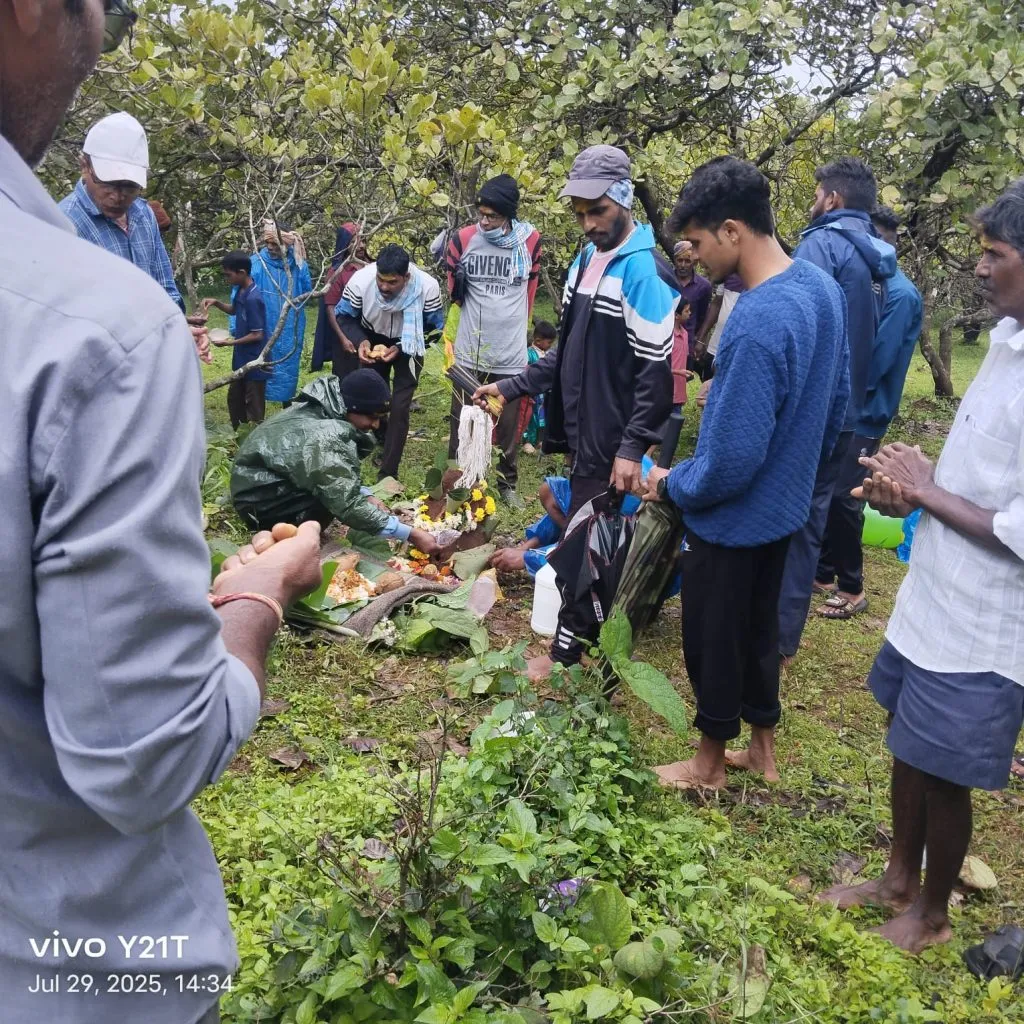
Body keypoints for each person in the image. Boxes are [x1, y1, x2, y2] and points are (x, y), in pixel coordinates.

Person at [0, 3, 325, 1021]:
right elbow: (142, 756)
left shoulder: (131, 243)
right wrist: (255, 601)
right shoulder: (90, 330)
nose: (100, 33)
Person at [820, 181, 1024, 954]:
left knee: (944, 768)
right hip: (935, 596)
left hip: (985, 622)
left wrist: (930, 491)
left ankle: (932, 914)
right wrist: (915, 488)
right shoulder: (1006, 345)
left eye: (995, 254)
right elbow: (984, 483)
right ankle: (898, 879)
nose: (981, 268)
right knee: (908, 740)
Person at [644, 156, 848, 791]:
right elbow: (837, 404)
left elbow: (730, 461)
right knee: (762, 629)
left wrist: (673, 483)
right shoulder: (821, 289)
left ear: (732, 231)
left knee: (715, 635)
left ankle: (707, 766)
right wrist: (800, 476)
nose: (695, 258)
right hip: (785, 508)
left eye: (698, 243)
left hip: (733, 519)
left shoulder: (757, 319)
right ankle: (762, 750)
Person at [473, 145, 678, 679]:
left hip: (613, 439)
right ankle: (582, 646)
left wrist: (632, 446)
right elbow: (565, 354)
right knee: (588, 540)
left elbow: (656, 374)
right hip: (585, 434)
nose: (588, 224)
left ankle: (568, 657)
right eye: (580, 212)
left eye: (598, 211)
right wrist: (511, 386)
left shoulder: (644, 272)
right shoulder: (586, 262)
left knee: (591, 546)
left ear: (624, 198)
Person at [776, 156, 896, 655]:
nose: (813, 202)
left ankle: (767, 630)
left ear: (832, 199)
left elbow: (796, 326)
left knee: (784, 513)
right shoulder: (876, 257)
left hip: (809, 408)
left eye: (816, 194)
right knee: (812, 517)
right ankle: (785, 636)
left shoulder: (822, 245)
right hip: (847, 410)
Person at [815, 205, 924, 619]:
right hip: (848, 405)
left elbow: (876, 362)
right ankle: (823, 572)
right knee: (830, 487)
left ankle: (852, 587)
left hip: (866, 411)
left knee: (845, 494)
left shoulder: (900, 294)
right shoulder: (872, 284)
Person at [231, 370, 440, 555]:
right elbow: (346, 503)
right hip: (262, 504)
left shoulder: (320, 408)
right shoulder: (327, 436)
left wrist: (364, 493)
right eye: (372, 417)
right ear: (352, 408)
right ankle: (293, 532)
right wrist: (411, 534)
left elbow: (330, 472)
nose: (376, 425)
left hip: (258, 487)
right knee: (333, 501)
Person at [446, 174, 543, 506]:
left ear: (509, 214)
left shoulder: (530, 242)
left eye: (493, 216)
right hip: (470, 349)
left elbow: (530, 291)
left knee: (508, 424)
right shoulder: (463, 239)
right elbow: (454, 292)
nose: (485, 222)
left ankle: (506, 483)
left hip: (510, 351)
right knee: (463, 419)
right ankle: (458, 478)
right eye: (481, 214)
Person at [335, 244, 444, 481]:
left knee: (400, 405)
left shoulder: (428, 287)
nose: (384, 287)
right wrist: (361, 341)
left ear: (406, 277)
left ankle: (388, 471)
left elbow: (435, 330)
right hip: (372, 337)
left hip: (411, 341)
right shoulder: (361, 281)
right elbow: (343, 315)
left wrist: (402, 347)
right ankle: (380, 439)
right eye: (381, 280)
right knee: (372, 398)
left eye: (392, 282)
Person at [60, 112, 184, 312]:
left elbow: (166, 288)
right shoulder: (63, 226)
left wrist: (177, 323)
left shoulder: (144, 214)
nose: (118, 196)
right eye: (108, 183)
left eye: (129, 186)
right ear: (85, 166)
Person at [250, 220, 313, 406]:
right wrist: (236, 325)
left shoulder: (298, 265)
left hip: (291, 325)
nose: (270, 248)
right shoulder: (256, 264)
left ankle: (287, 406)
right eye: (267, 243)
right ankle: (257, 414)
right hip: (262, 324)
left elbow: (307, 293)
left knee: (288, 365)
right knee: (260, 366)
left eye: (275, 244)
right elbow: (240, 295)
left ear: (287, 244)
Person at [203, 251, 269, 428]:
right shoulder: (241, 290)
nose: (226, 279)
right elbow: (234, 310)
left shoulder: (254, 298)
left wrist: (229, 342)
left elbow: (257, 334)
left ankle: (254, 438)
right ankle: (238, 434)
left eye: (228, 275)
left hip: (255, 359)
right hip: (242, 357)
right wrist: (216, 302)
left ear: (242, 272)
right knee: (235, 399)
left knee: (254, 404)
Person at [311, 221, 369, 379]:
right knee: (347, 376)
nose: (361, 246)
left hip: (369, 330)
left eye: (363, 240)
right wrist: (343, 338)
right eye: (354, 242)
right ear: (344, 245)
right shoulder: (337, 272)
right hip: (346, 331)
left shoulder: (372, 267)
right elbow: (331, 307)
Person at [693, 271, 745, 380]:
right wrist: (701, 339)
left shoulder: (762, 277)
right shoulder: (728, 271)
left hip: (740, 350)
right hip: (715, 346)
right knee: (707, 383)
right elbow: (717, 303)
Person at [672, 239, 712, 372]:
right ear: (675, 260)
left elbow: (702, 316)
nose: (683, 265)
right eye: (680, 260)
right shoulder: (665, 279)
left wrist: (699, 340)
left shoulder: (704, 287)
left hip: (687, 343)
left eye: (687, 261)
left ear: (694, 262)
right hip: (664, 341)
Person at [520, 319, 557, 454]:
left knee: (543, 417)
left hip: (544, 394)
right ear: (538, 341)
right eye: (549, 343)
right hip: (533, 394)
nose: (550, 346)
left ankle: (540, 440)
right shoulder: (529, 354)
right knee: (531, 417)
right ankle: (527, 441)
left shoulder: (547, 354)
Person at [670, 300, 693, 413]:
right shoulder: (667, 335)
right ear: (676, 315)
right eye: (686, 311)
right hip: (664, 392)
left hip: (678, 395)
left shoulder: (685, 334)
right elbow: (657, 366)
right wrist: (678, 372)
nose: (690, 313)